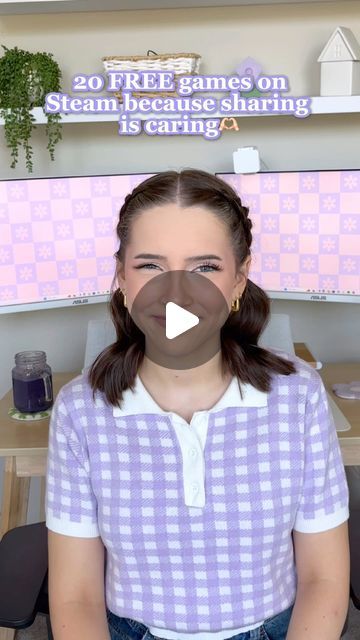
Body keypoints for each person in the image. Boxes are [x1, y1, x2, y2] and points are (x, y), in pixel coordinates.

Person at [45, 169, 350, 640]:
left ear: (238, 280)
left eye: (205, 267)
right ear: (122, 277)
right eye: (150, 266)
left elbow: (323, 579)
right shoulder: (78, 411)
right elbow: (76, 598)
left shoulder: (300, 397)